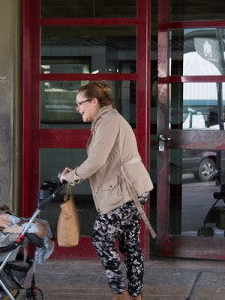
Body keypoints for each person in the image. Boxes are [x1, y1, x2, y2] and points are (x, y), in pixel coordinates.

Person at [60, 81, 154, 300]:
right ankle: (135, 295)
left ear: (94, 102)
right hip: (132, 189)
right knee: (130, 246)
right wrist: (76, 171)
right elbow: (105, 159)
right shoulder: (106, 121)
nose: (77, 109)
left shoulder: (108, 121)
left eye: (80, 103)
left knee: (101, 237)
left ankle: (120, 294)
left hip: (126, 192)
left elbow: (96, 161)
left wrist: (71, 177)